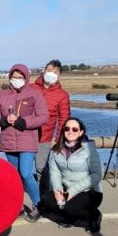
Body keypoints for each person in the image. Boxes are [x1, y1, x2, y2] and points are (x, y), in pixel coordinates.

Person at [0, 63, 49, 222]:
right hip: (9, 141)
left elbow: (44, 116)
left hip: (27, 140)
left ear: (26, 78)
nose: (16, 80)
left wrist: (24, 122)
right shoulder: (2, 95)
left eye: (20, 77)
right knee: (15, 177)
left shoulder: (34, 94)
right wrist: (4, 120)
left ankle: (38, 205)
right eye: (14, 77)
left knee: (25, 173)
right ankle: (18, 206)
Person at [38, 117, 103, 233]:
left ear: (81, 132)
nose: (70, 131)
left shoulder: (89, 150)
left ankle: (94, 216)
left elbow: (97, 175)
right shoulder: (56, 149)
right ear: (63, 131)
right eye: (67, 128)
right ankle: (71, 217)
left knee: (68, 206)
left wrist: (71, 192)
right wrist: (58, 191)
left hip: (89, 192)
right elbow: (55, 172)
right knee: (46, 201)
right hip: (65, 189)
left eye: (74, 129)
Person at [30, 59, 71, 194]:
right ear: (43, 71)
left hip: (45, 139)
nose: (51, 73)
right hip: (25, 137)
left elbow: (64, 119)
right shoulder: (30, 88)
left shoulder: (62, 95)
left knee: (42, 171)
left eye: (55, 72)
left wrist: (58, 139)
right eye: (49, 70)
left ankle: (43, 202)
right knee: (22, 172)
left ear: (59, 75)